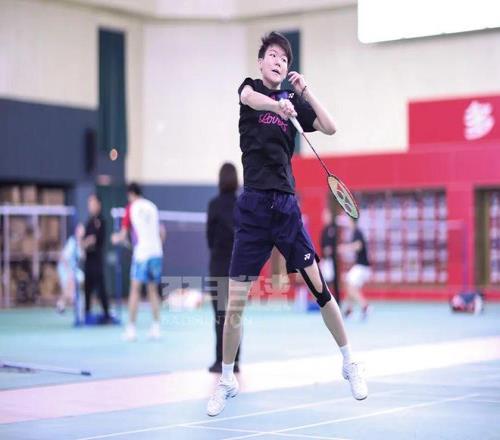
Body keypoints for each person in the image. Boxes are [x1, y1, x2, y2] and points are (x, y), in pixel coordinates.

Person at [207, 31, 368, 417]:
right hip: (253, 209)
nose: (278, 61)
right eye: (273, 55)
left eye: (284, 58)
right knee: (234, 305)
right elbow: (250, 98)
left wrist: (305, 92)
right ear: (261, 62)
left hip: (285, 208)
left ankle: (349, 362)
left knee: (321, 289)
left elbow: (330, 127)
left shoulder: (295, 101)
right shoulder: (250, 89)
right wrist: (277, 106)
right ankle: (226, 380)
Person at [111, 183, 163, 341]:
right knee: (153, 291)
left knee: (135, 290)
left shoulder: (130, 208)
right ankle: (156, 327)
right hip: (156, 253)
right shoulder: (152, 207)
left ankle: (131, 329)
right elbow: (162, 232)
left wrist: (115, 238)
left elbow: (123, 235)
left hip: (141, 255)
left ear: (131, 194)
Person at [206, 163, 241, 374]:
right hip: (238, 264)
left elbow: (209, 238)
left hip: (219, 264)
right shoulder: (242, 204)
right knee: (235, 314)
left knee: (220, 315)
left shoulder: (214, 205)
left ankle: (221, 360)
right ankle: (236, 360)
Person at [82, 194, 111, 322]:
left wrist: (87, 242)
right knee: (87, 288)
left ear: (98, 205)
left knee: (100, 288)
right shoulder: (88, 222)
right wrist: (85, 242)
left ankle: (106, 314)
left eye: (93, 203)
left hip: (97, 261)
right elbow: (84, 241)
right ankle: (87, 313)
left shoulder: (101, 221)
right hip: (88, 260)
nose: (90, 206)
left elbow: (93, 240)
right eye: (89, 204)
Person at [339, 216, 372, 319]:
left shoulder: (357, 232)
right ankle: (349, 310)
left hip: (362, 266)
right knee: (352, 287)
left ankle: (365, 306)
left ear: (351, 221)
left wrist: (344, 248)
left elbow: (358, 246)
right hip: (362, 266)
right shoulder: (356, 232)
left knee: (349, 285)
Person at [56, 223, 85, 313]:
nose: (82, 232)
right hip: (65, 267)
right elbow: (64, 258)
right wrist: (69, 272)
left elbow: (82, 256)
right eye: (80, 230)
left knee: (80, 278)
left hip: (74, 269)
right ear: (76, 231)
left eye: (83, 230)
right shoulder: (72, 242)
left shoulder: (81, 243)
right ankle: (62, 304)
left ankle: (70, 301)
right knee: (68, 288)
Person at [320, 207, 341, 305]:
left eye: (326, 215)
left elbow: (337, 243)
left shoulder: (334, 228)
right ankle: (327, 301)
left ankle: (337, 302)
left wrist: (331, 250)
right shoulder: (324, 230)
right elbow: (322, 244)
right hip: (326, 260)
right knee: (325, 281)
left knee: (334, 281)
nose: (324, 217)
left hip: (333, 259)